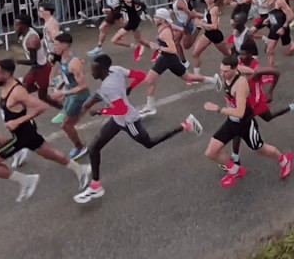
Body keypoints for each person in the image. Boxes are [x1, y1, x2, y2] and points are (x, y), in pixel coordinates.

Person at [72, 54, 203, 203]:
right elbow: (140, 76)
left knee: (149, 143)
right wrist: (129, 88)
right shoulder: (116, 70)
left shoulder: (108, 87)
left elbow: (121, 109)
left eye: (94, 69)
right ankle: (96, 186)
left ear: (102, 69)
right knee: (94, 148)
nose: (91, 71)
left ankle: (186, 125)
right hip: (117, 120)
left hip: (128, 121)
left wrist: (100, 112)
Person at [0, 59, 92, 202]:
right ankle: (81, 170)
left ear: (6, 74)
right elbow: (10, 104)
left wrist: (17, 121)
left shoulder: (17, 91)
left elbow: (41, 106)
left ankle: (26, 181)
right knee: (52, 155)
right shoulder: (7, 85)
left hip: (21, 136)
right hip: (27, 132)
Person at [202, 54, 294, 188]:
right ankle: (235, 171)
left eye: (225, 71)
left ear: (234, 70)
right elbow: (251, 71)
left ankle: (285, 160)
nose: (222, 74)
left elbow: (240, 113)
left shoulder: (240, 85)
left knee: (260, 149)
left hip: (244, 124)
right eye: (221, 69)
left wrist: (217, 108)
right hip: (231, 122)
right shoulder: (235, 70)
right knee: (211, 152)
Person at [48, 33, 90, 159]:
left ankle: (80, 147)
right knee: (66, 117)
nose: (53, 47)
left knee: (66, 125)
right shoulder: (63, 58)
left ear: (65, 46)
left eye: (56, 45)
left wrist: (62, 92)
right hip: (71, 94)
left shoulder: (74, 63)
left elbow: (83, 86)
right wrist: (60, 86)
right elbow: (68, 78)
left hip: (78, 96)